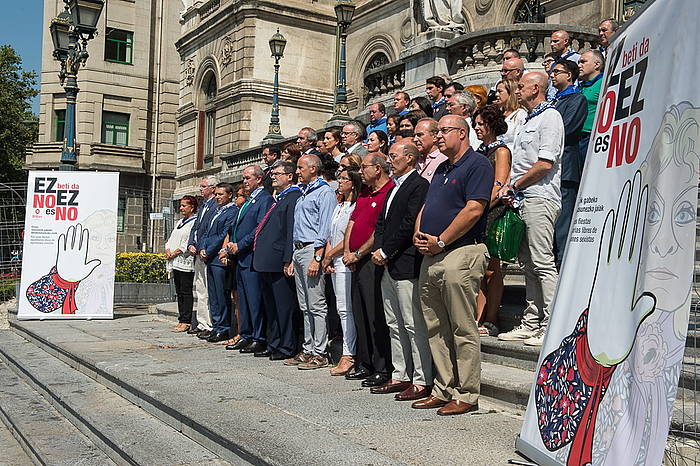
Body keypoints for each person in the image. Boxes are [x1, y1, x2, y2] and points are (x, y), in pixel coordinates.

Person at [412, 114, 494, 415]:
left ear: (462, 133)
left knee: (462, 326)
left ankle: (467, 393)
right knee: (434, 325)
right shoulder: (443, 168)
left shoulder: (478, 164)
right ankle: (443, 387)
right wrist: (419, 233)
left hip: (460, 251)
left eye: (444, 130)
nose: (438, 135)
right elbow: (427, 206)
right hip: (432, 254)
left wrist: (442, 240)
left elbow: (474, 209)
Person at [497, 72, 564, 347]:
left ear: (536, 88)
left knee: (542, 263)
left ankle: (551, 325)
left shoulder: (551, 117)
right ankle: (531, 321)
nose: (518, 90)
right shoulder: (527, 119)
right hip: (523, 199)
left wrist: (513, 184)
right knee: (527, 264)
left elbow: (545, 163)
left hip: (540, 197)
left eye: (522, 86)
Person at [370, 141, 432, 401]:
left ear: (409, 158)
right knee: (394, 323)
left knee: (412, 323)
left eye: (393, 156)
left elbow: (409, 223)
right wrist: (379, 250)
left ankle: (421, 379)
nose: (389, 160)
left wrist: (386, 251)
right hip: (388, 264)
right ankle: (400, 374)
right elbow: (382, 223)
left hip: (405, 263)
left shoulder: (419, 184)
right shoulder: (394, 187)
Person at [342, 153, 395, 386]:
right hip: (354, 260)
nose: (360, 172)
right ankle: (365, 362)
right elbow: (352, 223)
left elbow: (379, 230)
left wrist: (358, 253)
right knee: (360, 313)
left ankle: (382, 366)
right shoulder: (364, 192)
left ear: (378, 169)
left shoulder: (388, 191)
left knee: (375, 316)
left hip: (372, 260)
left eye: (364, 167)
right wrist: (347, 252)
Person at [287, 154, 337, 369]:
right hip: (299, 250)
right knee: (304, 304)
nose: (297, 172)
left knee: (316, 303)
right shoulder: (303, 193)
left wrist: (318, 257)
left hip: (311, 249)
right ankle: (308, 348)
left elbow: (324, 227)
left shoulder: (324, 192)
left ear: (313, 169)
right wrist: (292, 257)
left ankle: (320, 351)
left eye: (300, 167)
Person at [252, 160, 303, 360]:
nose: (273, 176)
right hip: (267, 261)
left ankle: (286, 346)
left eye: (278, 173)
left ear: (290, 176)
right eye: (272, 173)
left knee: (284, 307)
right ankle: (274, 343)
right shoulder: (279, 198)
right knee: (271, 307)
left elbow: (291, 230)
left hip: (279, 261)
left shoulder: (293, 197)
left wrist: (288, 259)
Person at [224, 166, 274, 353]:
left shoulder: (264, 199)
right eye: (243, 178)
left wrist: (240, 244)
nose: (244, 181)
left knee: (254, 299)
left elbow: (259, 228)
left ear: (259, 179)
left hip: (251, 255)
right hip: (240, 257)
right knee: (243, 300)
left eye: (248, 178)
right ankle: (246, 334)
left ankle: (258, 336)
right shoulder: (248, 200)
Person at [472, 105, 511, 337]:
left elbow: (500, 184)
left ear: (492, 125)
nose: (477, 127)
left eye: (481, 123)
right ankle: (479, 316)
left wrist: (482, 206)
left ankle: (491, 317)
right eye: (475, 124)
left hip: (491, 211)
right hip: (479, 211)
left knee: (492, 269)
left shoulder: (501, 151)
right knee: (479, 269)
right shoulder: (479, 152)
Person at [323, 167, 362, 376]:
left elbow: (348, 235)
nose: (340, 181)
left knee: (346, 308)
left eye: (344, 179)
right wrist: (328, 255)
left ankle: (349, 353)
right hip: (334, 260)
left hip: (345, 260)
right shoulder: (339, 205)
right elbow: (332, 233)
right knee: (340, 308)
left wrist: (331, 254)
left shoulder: (355, 205)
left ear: (353, 183)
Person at [550, 60, 587, 267]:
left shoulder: (576, 99)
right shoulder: (554, 100)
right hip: (551, 169)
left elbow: (568, 128)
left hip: (566, 166)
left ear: (570, 75)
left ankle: (563, 265)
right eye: (552, 72)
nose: (553, 75)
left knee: (564, 223)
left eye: (557, 72)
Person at [199, 183, 239, 343]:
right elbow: (206, 232)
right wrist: (202, 247)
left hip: (218, 258)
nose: (217, 197)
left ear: (229, 195)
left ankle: (223, 328)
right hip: (209, 257)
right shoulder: (216, 210)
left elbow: (223, 234)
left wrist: (209, 249)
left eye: (221, 194)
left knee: (221, 295)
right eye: (216, 194)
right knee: (213, 295)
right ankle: (216, 326)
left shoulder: (232, 211)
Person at [187, 176, 217, 337]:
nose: (201, 189)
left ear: (213, 188)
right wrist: (191, 243)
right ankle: (201, 322)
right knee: (199, 290)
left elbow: (210, 231)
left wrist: (203, 247)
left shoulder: (215, 205)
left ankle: (208, 324)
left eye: (204, 186)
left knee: (207, 290)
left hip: (206, 253)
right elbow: (196, 228)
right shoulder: (203, 206)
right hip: (197, 252)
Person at [166, 195, 198, 332]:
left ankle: (187, 320)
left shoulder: (194, 222)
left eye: (184, 205)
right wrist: (168, 249)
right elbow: (172, 238)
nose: (181, 208)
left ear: (192, 207)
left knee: (186, 291)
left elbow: (188, 241)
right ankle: (181, 318)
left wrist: (177, 252)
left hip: (185, 260)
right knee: (179, 291)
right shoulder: (179, 222)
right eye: (181, 205)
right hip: (175, 261)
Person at [577, 50, 605, 165]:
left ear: (597, 64)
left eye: (583, 62)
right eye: (579, 62)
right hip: (578, 139)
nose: (579, 65)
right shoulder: (580, 86)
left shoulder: (604, 83)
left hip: (592, 139)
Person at [494, 79, 527, 153]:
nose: (496, 95)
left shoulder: (520, 114)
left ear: (511, 93)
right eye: (496, 91)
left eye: (500, 91)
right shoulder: (498, 114)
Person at [547, 30, 581, 99]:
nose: (552, 44)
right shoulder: (553, 63)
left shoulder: (577, 59)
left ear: (565, 41)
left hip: (568, 99)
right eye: (551, 42)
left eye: (556, 41)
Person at [413, 117, 447, 183]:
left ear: (434, 137)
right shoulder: (415, 160)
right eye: (414, 135)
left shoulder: (444, 159)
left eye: (420, 135)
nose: (415, 139)